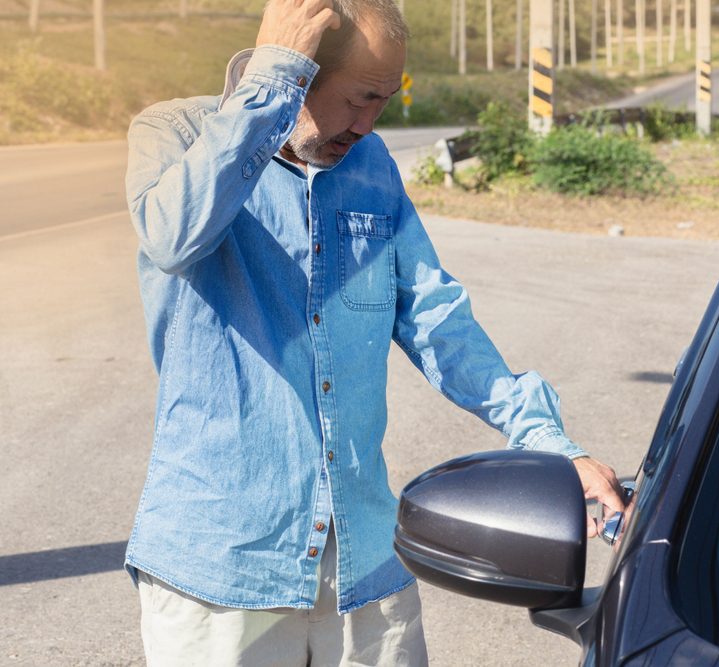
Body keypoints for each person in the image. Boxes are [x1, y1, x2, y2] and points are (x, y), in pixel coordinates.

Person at [123, 0, 625, 664]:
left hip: (362, 567)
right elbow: (172, 235)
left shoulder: (371, 167)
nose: (367, 125)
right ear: (299, 70)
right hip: (222, 571)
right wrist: (270, 80)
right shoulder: (178, 132)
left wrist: (548, 441)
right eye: (360, 98)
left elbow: (439, 321)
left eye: (384, 103)